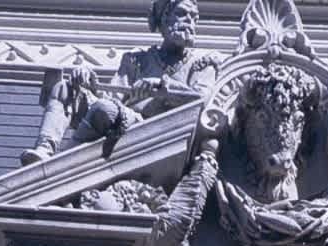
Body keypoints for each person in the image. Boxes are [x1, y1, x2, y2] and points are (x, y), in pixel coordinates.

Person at [21, 0, 220, 164]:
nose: (190, 22)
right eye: (182, 14)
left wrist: (162, 86)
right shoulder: (136, 60)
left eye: (194, 18)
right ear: (164, 18)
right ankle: (45, 150)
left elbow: (201, 101)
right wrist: (89, 82)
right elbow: (112, 97)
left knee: (105, 110)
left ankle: (59, 165)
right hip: (125, 120)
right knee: (65, 88)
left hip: (158, 130)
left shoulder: (202, 63)